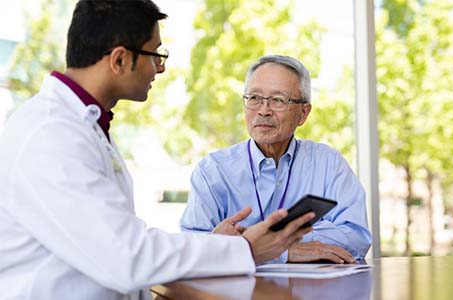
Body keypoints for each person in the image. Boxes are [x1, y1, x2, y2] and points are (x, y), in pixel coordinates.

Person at [0, 2, 316, 300]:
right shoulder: (51, 134)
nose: (160, 68)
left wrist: (213, 245)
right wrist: (245, 249)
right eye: (155, 54)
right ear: (120, 60)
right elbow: (126, 256)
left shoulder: (82, 125)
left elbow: (119, 241)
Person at [180, 54, 372, 263]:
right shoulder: (213, 170)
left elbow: (356, 236)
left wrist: (245, 244)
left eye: (278, 100)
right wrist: (283, 251)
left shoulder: (328, 163)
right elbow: (193, 247)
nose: (263, 110)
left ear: (303, 113)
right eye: (254, 98)